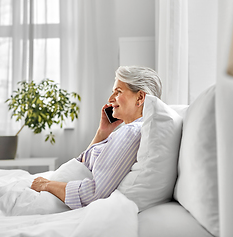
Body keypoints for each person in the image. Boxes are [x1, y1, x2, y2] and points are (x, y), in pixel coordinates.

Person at [31, 66, 162, 209]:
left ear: (140, 97)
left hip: (53, 199)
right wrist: (102, 132)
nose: (110, 99)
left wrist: (47, 185)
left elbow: (94, 194)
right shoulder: (128, 130)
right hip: (53, 194)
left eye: (118, 92)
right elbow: (85, 163)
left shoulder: (131, 132)